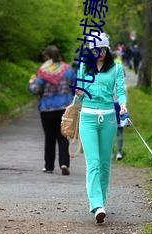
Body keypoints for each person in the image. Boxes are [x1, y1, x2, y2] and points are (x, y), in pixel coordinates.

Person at [76, 33, 127, 223]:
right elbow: (79, 94)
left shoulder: (116, 69)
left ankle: (101, 201)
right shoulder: (83, 66)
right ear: (90, 50)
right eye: (96, 50)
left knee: (105, 164)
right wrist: (79, 92)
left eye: (103, 50)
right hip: (88, 118)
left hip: (108, 119)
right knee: (94, 162)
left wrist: (123, 105)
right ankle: (97, 205)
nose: (100, 54)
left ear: (108, 49)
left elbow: (120, 91)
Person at [28, 45, 76, 175]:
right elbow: (75, 87)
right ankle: (64, 163)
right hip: (64, 109)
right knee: (63, 137)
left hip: (47, 109)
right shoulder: (68, 70)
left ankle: (49, 167)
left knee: (49, 138)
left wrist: (31, 83)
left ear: (47, 57)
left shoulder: (43, 71)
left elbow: (36, 90)